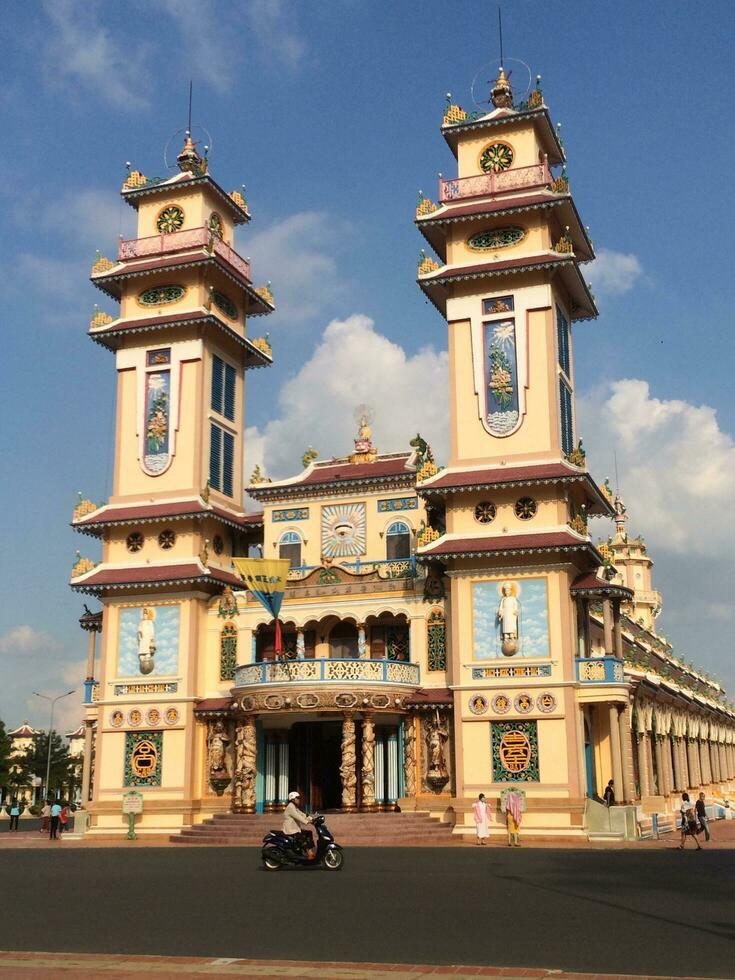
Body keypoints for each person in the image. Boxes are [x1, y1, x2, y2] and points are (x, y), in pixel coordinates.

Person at [282, 791, 314, 858]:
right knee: (302, 838)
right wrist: (307, 822)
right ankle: (309, 853)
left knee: (309, 833)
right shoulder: (290, 807)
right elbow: (298, 816)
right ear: (293, 799)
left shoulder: (294, 807)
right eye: (298, 798)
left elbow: (302, 814)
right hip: (290, 830)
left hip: (295, 829)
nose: (299, 799)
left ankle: (310, 851)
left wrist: (312, 819)